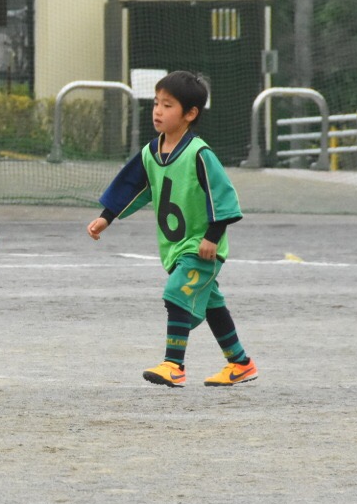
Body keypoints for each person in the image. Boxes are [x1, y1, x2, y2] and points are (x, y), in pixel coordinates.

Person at [86, 70, 257, 387]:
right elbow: (131, 186)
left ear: (190, 114)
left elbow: (223, 198)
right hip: (175, 247)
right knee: (211, 304)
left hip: (200, 246)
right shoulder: (152, 152)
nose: (158, 110)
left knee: (177, 294)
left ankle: (173, 365)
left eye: (167, 105)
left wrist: (212, 238)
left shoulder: (199, 154)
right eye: (156, 103)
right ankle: (240, 364)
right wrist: (106, 217)